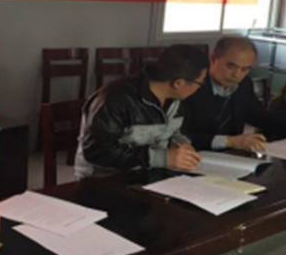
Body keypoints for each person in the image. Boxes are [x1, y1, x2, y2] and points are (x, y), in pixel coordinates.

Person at [74, 44, 209, 179]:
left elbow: (177, 131)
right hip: (105, 178)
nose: (199, 89)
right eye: (200, 83)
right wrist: (162, 158)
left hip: (148, 173)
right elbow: (98, 151)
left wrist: (180, 144)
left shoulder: (178, 98)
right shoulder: (117, 98)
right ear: (178, 83)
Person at [183, 37, 286, 153]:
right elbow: (181, 135)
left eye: (245, 69)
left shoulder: (244, 84)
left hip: (230, 156)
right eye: (231, 66)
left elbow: (259, 115)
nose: (236, 75)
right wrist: (229, 141)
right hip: (191, 156)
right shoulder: (190, 86)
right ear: (213, 59)